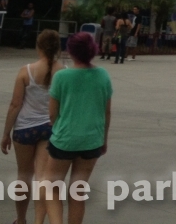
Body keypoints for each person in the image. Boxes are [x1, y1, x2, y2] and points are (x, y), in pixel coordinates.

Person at [45, 31, 111, 224]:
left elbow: (52, 114)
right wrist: (104, 140)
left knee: (52, 189)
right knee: (77, 192)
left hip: (64, 140)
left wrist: (57, 127)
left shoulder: (61, 77)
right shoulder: (103, 75)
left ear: (70, 51)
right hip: (92, 141)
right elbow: (107, 112)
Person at [1, 29, 65, 224]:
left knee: (24, 175)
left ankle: (20, 219)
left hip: (24, 129)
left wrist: (6, 133)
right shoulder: (63, 72)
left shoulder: (25, 71)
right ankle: (39, 220)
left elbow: (15, 104)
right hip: (50, 127)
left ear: (38, 47)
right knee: (43, 178)